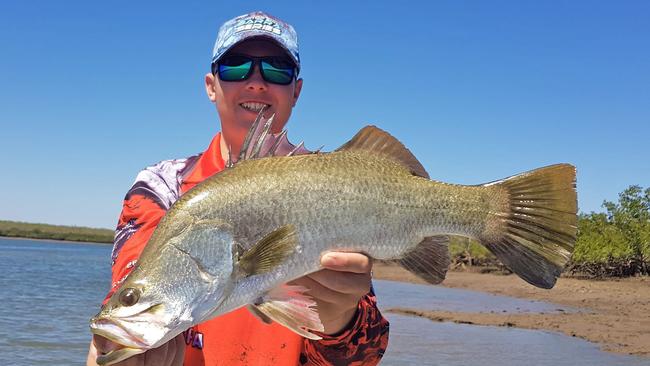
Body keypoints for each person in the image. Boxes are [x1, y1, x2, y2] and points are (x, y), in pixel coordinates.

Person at [87, 11, 389, 366]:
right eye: (235, 67)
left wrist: (340, 319)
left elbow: (366, 356)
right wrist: (112, 353)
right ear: (211, 86)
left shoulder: (332, 188)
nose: (256, 82)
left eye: (277, 69)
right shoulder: (161, 189)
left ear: (297, 91)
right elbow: (135, 278)